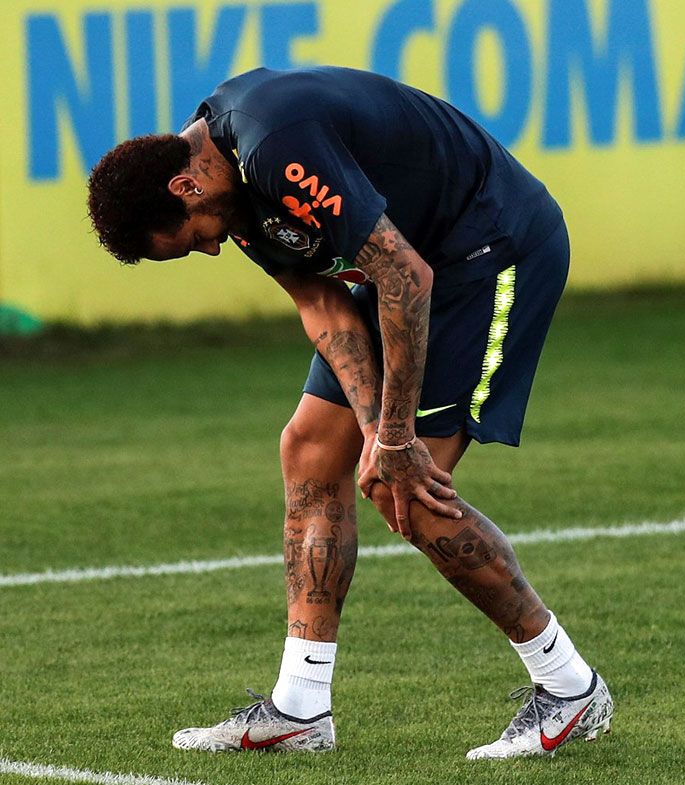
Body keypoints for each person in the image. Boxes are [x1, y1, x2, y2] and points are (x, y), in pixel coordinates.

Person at [85, 66, 612, 760]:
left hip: (488, 245)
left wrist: (394, 438)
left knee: (408, 490)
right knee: (310, 448)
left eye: (195, 238)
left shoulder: (276, 147)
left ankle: (569, 687)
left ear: (187, 187)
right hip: (402, 263)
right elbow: (324, 305)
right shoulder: (223, 181)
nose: (211, 248)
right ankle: (300, 708)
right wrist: (373, 429)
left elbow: (405, 276)